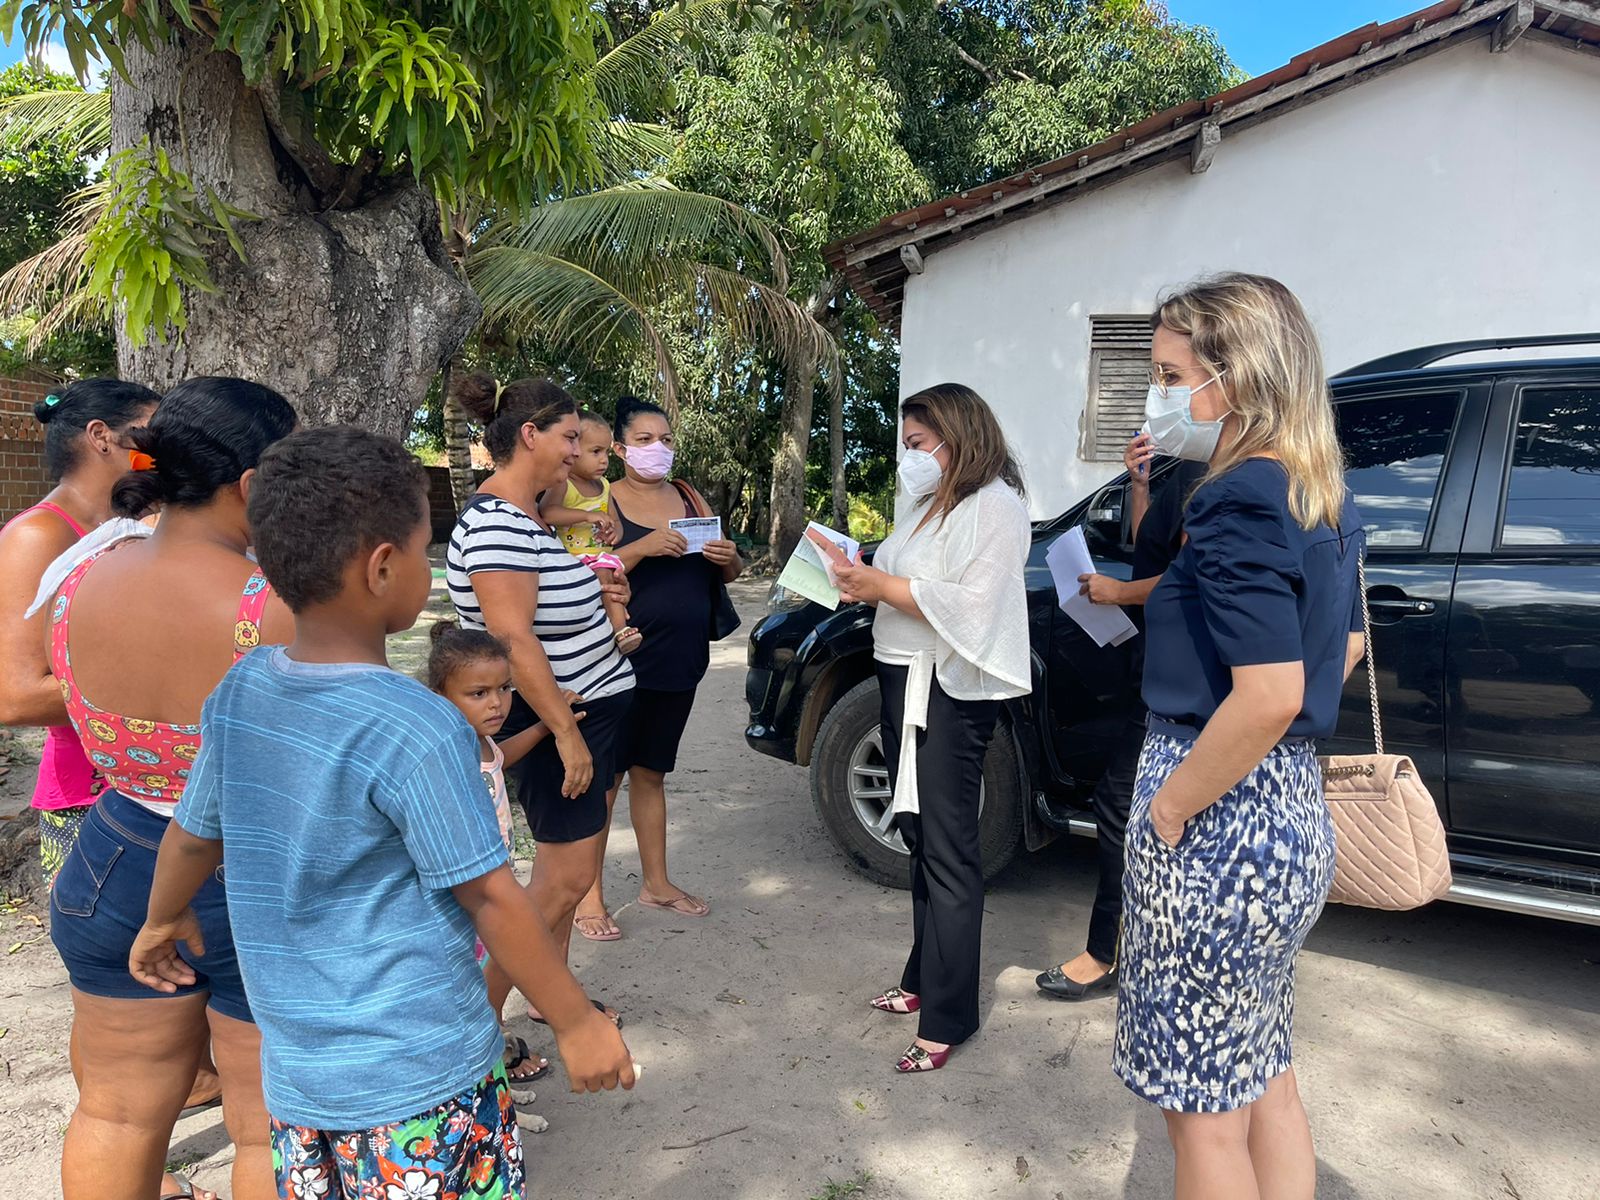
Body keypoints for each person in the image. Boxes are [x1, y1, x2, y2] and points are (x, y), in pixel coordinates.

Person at [128, 427, 634, 1200]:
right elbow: (490, 895)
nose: (430, 566)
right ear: (383, 566)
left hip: (300, 1083)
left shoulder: (243, 687)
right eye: (427, 550)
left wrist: (161, 918)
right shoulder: (418, 724)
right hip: (422, 1082)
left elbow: (195, 835)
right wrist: (575, 1020)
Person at [1114, 273, 1364, 1199]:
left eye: (1172, 376)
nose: (1160, 396)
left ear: (1238, 375)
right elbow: (1344, 648)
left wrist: (1171, 809)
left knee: (1205, 1121)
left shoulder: (1239, 497)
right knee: (1264, 1078)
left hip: (1217, 821)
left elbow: (1266, 696)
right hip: (1286, 809)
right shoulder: (1321, 493)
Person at [44, 377, 298, 1200]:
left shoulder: (82, 575)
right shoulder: (269, 606)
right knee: (264, 1121)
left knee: (116, 1110)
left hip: (115, 853)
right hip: (249, 871)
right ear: (253, 483)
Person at [814, 383, 1031, 1073]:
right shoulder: (928, 504)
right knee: (916, 833)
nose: (908, 457)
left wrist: (882, 587)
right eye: (905, 444)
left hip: (945, 687)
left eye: (917, 444)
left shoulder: (995, 506)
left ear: (958, 437)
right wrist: (858, 574)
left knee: (948, 845)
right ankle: (920, 976)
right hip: (899, 674)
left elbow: (976, 605)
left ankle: (948, 1015)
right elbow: (900, 575)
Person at [446, 373, 635, 1024]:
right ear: (531, 435)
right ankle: (478, 1030)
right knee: (561, 883)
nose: (577, 453)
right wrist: (567, 733)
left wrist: (598, 597)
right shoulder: (498, 523)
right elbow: (512, 639)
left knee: (565, 881)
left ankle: (552, 1002)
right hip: (556, 722)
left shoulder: (527, 516)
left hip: (580, 714)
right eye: (570, 438)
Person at [1034, 437, 1205, 1001]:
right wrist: (1140, 486)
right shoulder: (1193, 466)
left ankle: (1106, 954)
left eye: (1180, 385)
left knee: (1122, 804)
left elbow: (1191, 577)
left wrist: (1120, 592)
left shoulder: (1227, 473)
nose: (1173, 397)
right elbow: (1154, 549)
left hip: (1185, 680)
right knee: (1143, 810)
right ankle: (1150, 948)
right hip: (1160, 669)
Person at [570, 394, 743, 940]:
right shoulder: (600, 500)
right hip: (616, 659)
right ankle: (588, 897)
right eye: (644, 440)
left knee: (651, 773)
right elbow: (583, 569)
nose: (658, 448)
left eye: (665, 439)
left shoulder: (689, 496)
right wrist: (643, 547)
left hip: (679, 662)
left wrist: (730, 558)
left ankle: (657, 883)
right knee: (606, 779)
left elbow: (728, 571)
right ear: (619, 449)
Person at [0, 379, 158, 886]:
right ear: (101, 436)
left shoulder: (141, 525)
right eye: (151, 433)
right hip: (89, 802)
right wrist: (173, 681)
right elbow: (17, 698)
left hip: (155, 787)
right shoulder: (38, 536)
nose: (163, 449)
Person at [426, 620, 585, 1100]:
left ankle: (489, 1080)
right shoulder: (448, 750)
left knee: (477, 987)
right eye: (478, 693)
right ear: (440, 695)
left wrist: (545, 725)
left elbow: (499, 759)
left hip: (493, 880)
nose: (496, 703)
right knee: (468, 990)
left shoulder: (480, 742)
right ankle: (475, 1084)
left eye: (504, 689)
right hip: (466, 895)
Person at [539, 409, 641, 654]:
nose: (604, 460)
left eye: (606, 452)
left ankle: (617, 629)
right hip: (573, 559)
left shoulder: (604, 486)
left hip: (600, 556)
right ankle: (620, 629)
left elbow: (616, 521)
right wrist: (586, 515)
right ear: (574, 451)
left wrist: (614, 533)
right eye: (595, 452)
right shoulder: (564, 483)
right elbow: (548, 512)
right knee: (606, 578)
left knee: (613, 580)